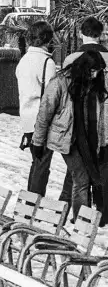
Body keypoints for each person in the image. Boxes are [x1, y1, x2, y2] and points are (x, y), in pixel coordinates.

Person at [33, 50, 108, 223]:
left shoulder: (94, 83)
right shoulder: (60, 82)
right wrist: (37, 141)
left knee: (80, 178)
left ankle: (64, 215)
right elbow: (45, 112)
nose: (95, 75)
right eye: (92, 71)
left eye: (98, 71)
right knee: (81, 178)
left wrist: (102, 143)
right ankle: (81, 222)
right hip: (66, 137)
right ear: (83, 67)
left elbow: (100, 119)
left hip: (87, 139)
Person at [17, 21, 66, 196]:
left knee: (36, 161)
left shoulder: (23, 61)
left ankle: (30, 200)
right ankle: (33, 202)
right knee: (42, 165)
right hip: (43, 119)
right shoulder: (47, 62)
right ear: (46, 39)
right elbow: (53, 95)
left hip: (27, 118)